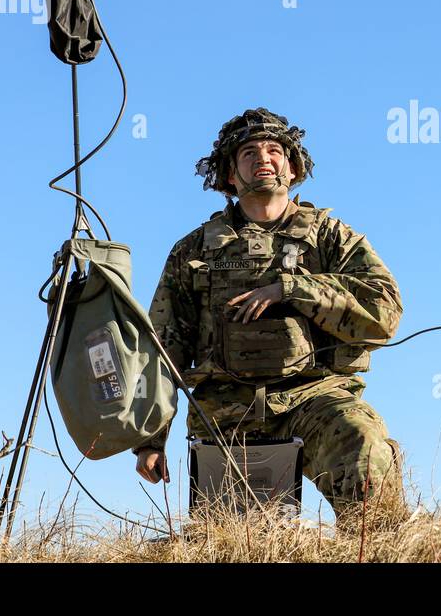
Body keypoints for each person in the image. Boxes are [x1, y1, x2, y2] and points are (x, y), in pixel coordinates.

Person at [134, 108, 405, 523]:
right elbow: (162, 347)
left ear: (292, 168)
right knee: (231, 542)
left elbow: (384, 310)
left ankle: (380, 549)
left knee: (363, 443)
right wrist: (150, 440)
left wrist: (293, 289)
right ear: (228, 174)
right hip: (223, 413)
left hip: (313, 397)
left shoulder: (330, 237)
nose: (264, 157)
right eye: (248, 152)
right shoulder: (193, 251)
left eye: (275, 149)